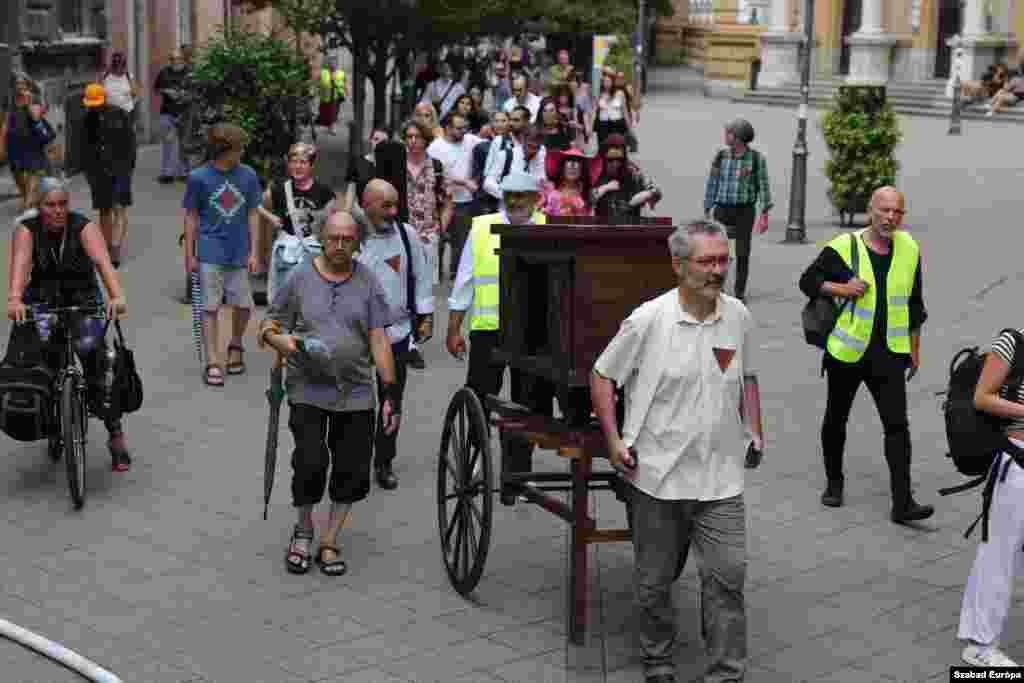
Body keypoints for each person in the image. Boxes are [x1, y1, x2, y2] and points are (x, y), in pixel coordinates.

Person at [591, 218, 764, 683]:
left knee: (728, 578)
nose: (717, 271)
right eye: (706, 261)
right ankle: (658, 662)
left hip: (721, 480)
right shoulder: (650, 320)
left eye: (723, 260)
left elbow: (746, 377)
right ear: (678, 265)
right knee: (654, 584)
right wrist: (612, 439)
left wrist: (756, 430)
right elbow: (603, 374)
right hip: (657, 479)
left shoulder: (738, 316)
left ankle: (726, 673)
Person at [259, 211, 399, 577]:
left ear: (358, 242)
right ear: (322, 236)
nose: (339, 245)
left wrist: (390, 393)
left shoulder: (368, 282)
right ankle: (304, 528)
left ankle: (329, 539)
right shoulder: (300, 277)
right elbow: (270, 323)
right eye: (333, 237)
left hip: (355, 391)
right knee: (310, 460)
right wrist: (279, 340)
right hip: (307, 386)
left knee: (351, 468)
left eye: (347, 239)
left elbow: (379, 338)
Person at [798, 186, 933, 524]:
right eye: (884, 210)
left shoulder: (910, 248)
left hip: (889, 353)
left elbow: (915, 304)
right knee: (836, 418)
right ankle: (834, 482)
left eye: (897, 212)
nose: (890, 218)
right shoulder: (845, 248)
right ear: (870, 211)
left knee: (897, 425)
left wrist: (915, 349)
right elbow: (807, 280)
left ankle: (903, 503)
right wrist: (842, 288)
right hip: (847, 351)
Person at [7, 177, 132, 471]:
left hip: (83, 301)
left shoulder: (83, 226)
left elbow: (103, 263)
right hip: (42, 303)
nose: (58, 211)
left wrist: (117, 296)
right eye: (50, 205)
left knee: (97, 363)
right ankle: (52, 421)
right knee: (42, 361)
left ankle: (115, 434)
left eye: (63, 204)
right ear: (39, 206)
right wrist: (14, 299)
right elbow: (21, 265)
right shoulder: (27, 230)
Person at [446, 171, 552, 500]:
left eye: (523, 195)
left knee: (526, 404)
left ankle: (518, 475)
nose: (516, 201)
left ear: (537, 198)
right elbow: (464, 280)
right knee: (479, 397)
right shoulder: (481, 227)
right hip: (488, 331)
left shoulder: (550, 228)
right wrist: (454, 327)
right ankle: (473, 467)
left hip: (533, 333)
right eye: (510, 195)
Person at [352, 180, 433, 490]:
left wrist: (425, 317)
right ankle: (354, 460)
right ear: (366, 203)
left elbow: (422, 277)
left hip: (396, 333)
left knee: (392, 401)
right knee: (355, 402)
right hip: (356, 335)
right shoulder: (351, 234)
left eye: (395, 205)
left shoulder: (406, 235)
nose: (392, 211)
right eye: (385, 205)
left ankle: (384, 461)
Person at [957, 326, 1024, 668]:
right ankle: (980, 647)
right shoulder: (1013, 342)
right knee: (998, 555)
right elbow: (982, 397)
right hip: (1016, 468)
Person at [182, 123, 262, 387]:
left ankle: (236, 343)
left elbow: (252, 212)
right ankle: (213, 360)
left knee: (244, 305)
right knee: (210, 306)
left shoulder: (248, 175)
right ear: (225, 150)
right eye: (239, 148)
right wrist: (190, 255)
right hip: (210, 251)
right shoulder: (199, 178)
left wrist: (254, 251)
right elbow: (192, 217)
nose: (242, 152)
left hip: (238, 252)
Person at [258, 143, 341, 304]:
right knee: (282, 303)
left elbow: (332, 225)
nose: (298, 166)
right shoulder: (277, 191)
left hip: (313, 255)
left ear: (311, 165)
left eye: (303, 162)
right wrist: (265, 251)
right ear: (288, 164)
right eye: (294, 161)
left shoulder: (324, 192)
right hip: (285, 255)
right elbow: (260, 211)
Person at [703, 118, 772, 303]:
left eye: (729, 133)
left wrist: (764, 215)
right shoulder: (721, 156)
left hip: (744, 211)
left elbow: (763, 187)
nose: (725, 136)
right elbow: (713, 182)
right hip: (722, 210)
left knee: (742, 252)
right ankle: (718, 289)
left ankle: (739, 292)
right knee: (718, 252)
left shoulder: (756, 159)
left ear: (738, 138)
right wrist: (708, 207)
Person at [81, 84, 137, 268]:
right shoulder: (86, 119)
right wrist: (87, 172)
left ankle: (115, 248)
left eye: (96, 102)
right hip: (98, 171)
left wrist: (129, 167)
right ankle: (105, 246)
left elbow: (130, 142)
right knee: (104, 209)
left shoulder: (120, 114)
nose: (94, 106)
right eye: (91, 103)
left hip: (120, 168)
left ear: (104, 98)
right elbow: (83, 148)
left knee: (119, 208)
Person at [427, 113, 482, 282]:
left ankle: (456, 276)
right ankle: (434, 276)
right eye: (458, 128)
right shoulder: (436, 147)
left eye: (465, 127)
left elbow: (489, 142)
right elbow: (433, 173)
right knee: (439, 238)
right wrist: (464, 181)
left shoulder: (471, 141)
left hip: (464, 201)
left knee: (462, 241)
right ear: (448, 128)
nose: (463, 131)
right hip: (442, 202)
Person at [403, 120, 450, 286]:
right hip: (402, 235)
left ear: (426, 139)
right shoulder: (398, 164)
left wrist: (439, 229)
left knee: (426, 291)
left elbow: (447, 201)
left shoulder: (436, 166)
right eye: (409, 137)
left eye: (418, 136)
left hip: (428, 236)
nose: (413, 141)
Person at [5, 74, 55, 212]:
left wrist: (29, 104)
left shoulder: (34, 98)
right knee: (17, 173)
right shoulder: (11, 100)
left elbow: (36, 117)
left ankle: (28, 205)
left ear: (28, 85)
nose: (20, 86)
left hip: (32, 141)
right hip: (14, 142)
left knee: (34, 171)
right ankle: (28, 197)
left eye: (23, 83)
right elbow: (6, 121)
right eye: (17, 83)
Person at [592, 133, 662, 218]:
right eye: (610, 159)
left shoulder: (632, 173)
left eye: (619, 159)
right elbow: (588, 199)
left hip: (631, 227)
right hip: (603, 227)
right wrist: (605, 188)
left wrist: (648, 194)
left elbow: (657, 191)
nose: (615, 163)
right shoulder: (596, 173)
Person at [154, 49, 190, 184]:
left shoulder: (189, 73)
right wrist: (166, 91)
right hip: (167, 111)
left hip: (185, 112)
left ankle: (184, 172)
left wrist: (183, 94)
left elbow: (196, 90)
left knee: (184, 142)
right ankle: (167, 173)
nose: (176, 62)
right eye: (173, 60)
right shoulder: (164, 73)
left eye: (179, 59)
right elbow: (156, 89)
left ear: (183, 60)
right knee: (168, 142)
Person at [344, 128, 390, 211]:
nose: (379, 143)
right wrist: (346, 212)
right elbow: (351, 192)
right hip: (361, 212)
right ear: (370, 140)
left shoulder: (392, 166)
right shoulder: (357, 162)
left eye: (383, 141)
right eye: (376, 139)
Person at [540, 147, 593, 217]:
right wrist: (546, 218)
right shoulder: (548, 189)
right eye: (569, 160)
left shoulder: (588, 194)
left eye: (577, 161)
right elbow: (535, 219)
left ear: (583, 169)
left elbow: (590, 223)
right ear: (562, 167)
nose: (572, 165)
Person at [595, 71, 630, 146]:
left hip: (617, 125)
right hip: (603, 125)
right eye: (604, 81)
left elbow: (625, 112)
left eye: (608, 81)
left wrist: (629, 129)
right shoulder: (599, 94)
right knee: (603, 148)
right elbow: (594, 112)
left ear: (613, 82)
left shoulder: (620, 93)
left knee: (617, 149)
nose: (606, 83)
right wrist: (589, 127)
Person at [317, 58, 347, 135]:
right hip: (325, 95)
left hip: (336, 96)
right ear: (328, 64)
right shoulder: (323, 72)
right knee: (325, 112)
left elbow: (345, 82)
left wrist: (346, 91)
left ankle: (332, 128)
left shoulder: (341, 73)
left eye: (334, 63)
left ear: (337, 64)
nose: (332, 64)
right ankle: (328, 126)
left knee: (333, 113)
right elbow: (318, 82)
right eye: (330, 63)